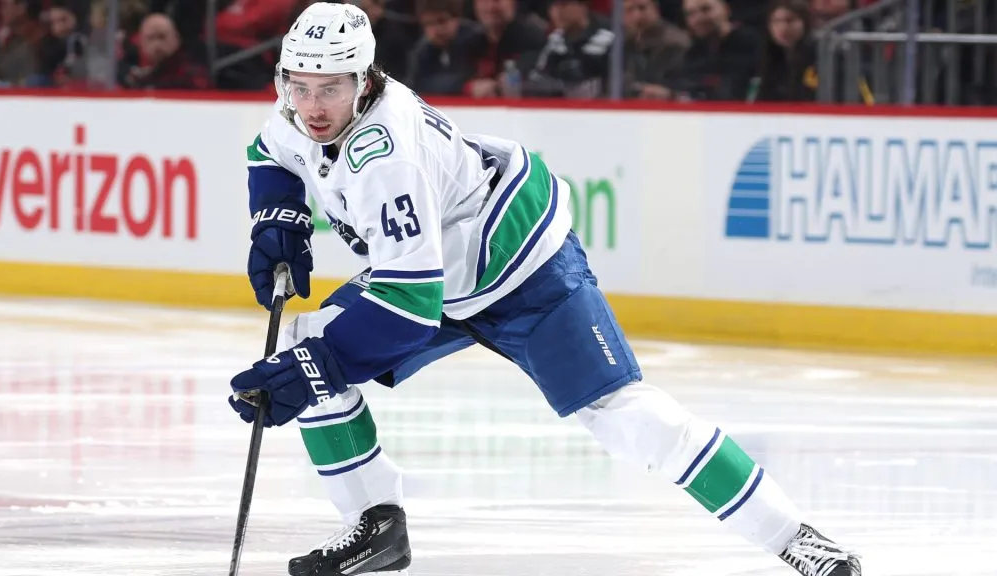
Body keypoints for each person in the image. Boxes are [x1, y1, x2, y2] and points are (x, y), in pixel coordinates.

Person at [229, 3, 863, 576]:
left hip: (521, 269)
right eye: (300, 86)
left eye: (331, 89)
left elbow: (409, 307)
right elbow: (269, 152)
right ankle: (375, 526)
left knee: (623, 418)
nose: (313, 107)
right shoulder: (297, 113)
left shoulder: (386, 154)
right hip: (437, 265)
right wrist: (277, 216)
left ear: (364, 81)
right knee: (306, 340)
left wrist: (316, 371)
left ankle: (793, 537)